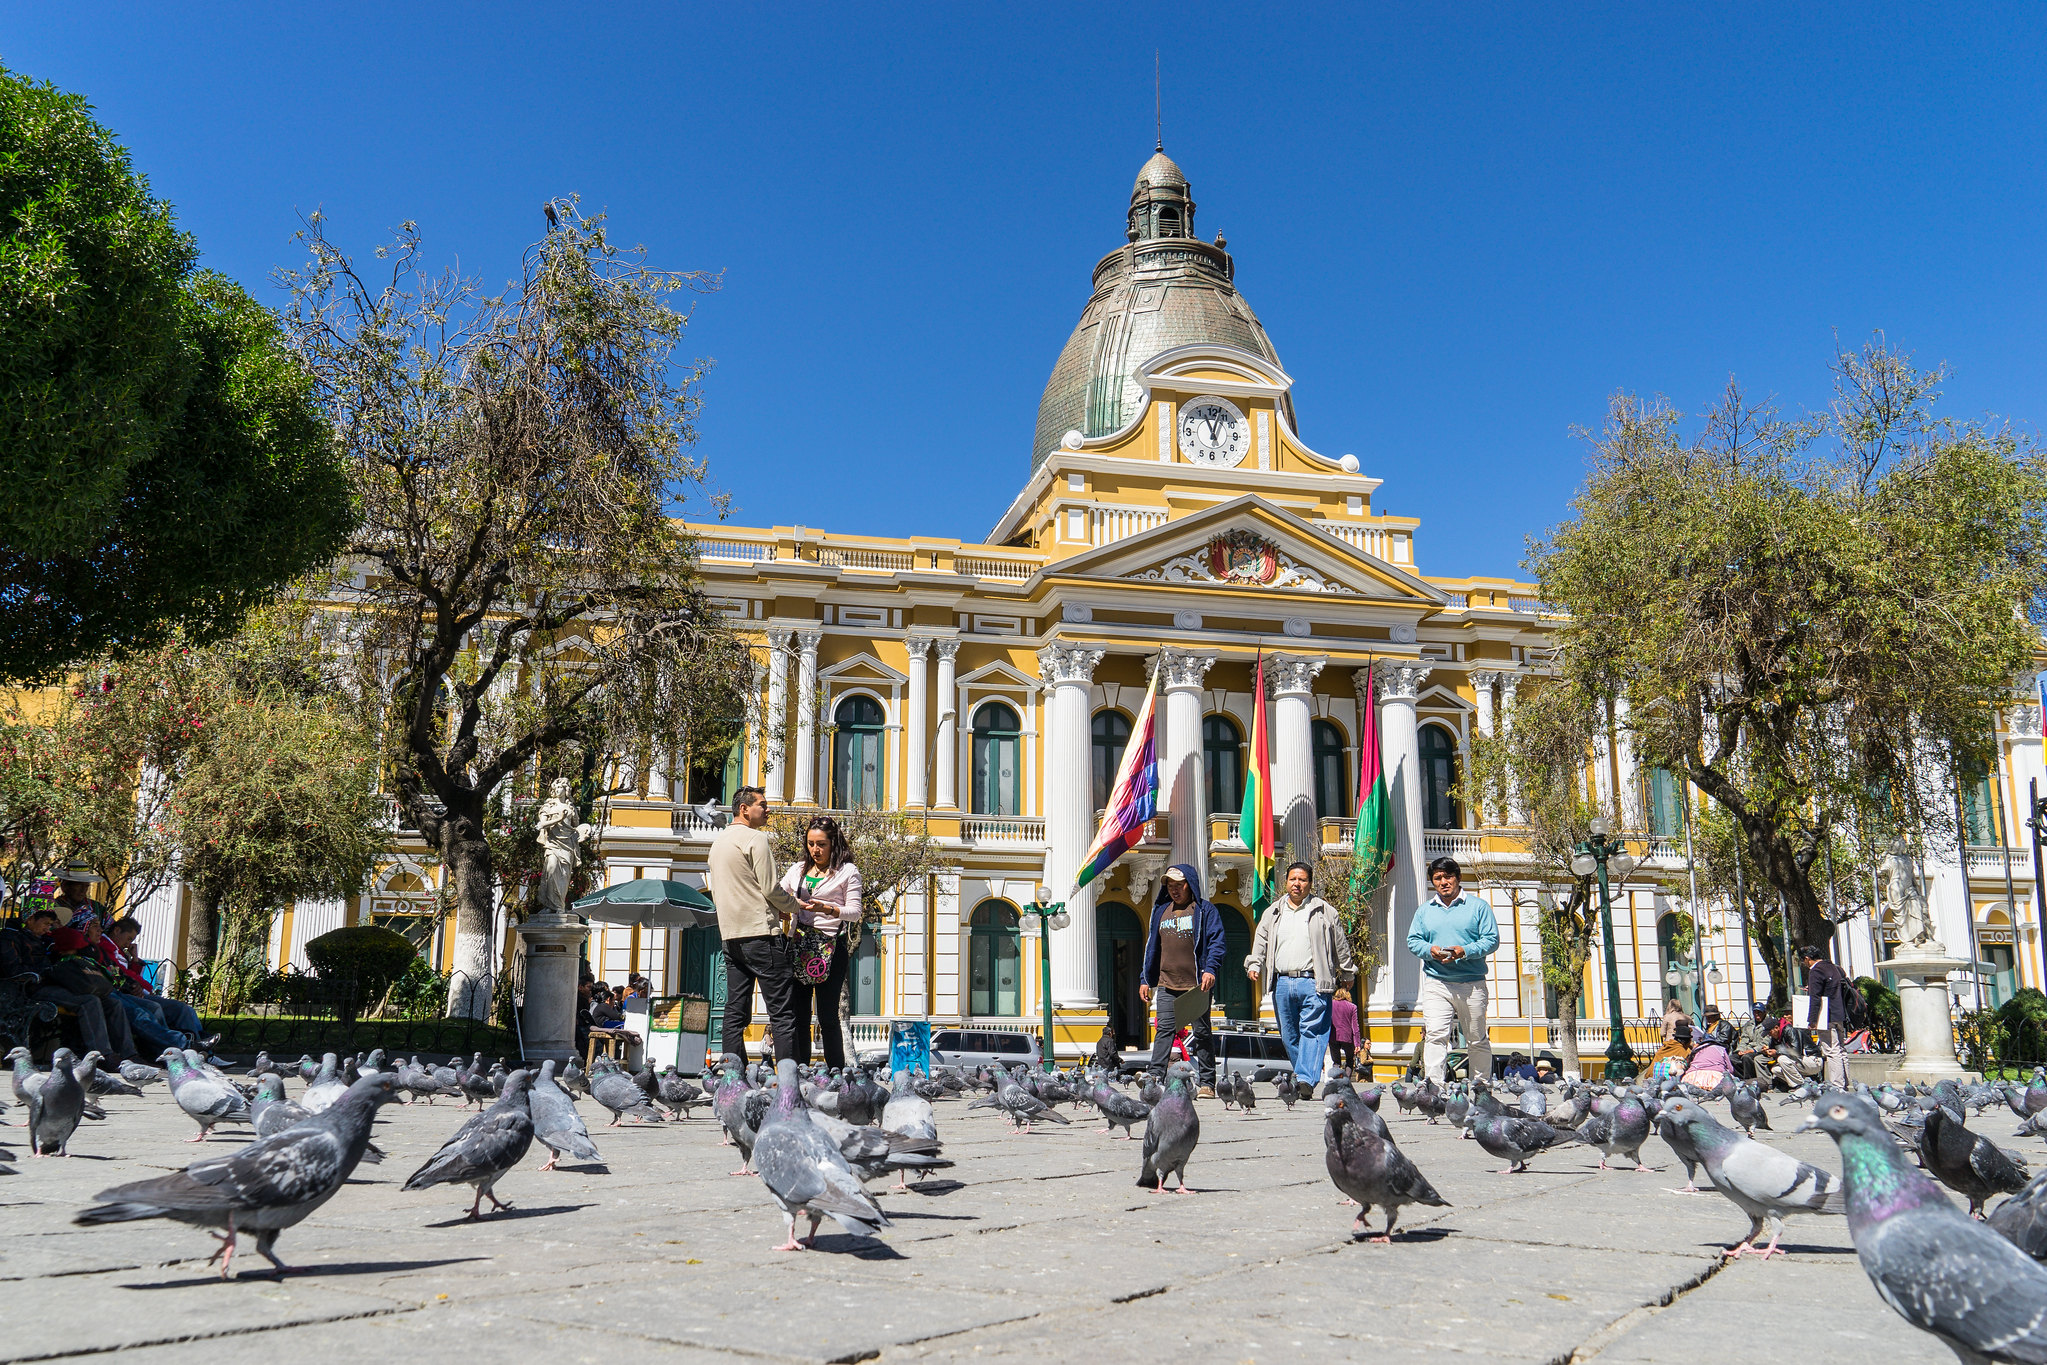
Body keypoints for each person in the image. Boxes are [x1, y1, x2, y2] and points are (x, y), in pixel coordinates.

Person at [706, 786, 806, 1062]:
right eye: (762, 804)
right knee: (783, 1013)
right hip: (762, 936)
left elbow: (737, 890)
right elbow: (771, 888)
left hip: (730, 938)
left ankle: (734, 1077)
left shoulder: (718, 843)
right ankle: (789, 1081)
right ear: (744, 809)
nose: (768, 809)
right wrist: (795, 906)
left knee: (734, 1011)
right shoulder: (755, 839)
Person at [1246, 861, 1356, 1096]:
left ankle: (1305, 1080)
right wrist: (1255, 963)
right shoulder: (1273, 912)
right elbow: (1261, 940)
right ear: (1286, 882)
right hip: (1282, 982)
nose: (1297, 884)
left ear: (1310, 883)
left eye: (1302, 880)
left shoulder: (1324, 911)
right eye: (1293, 879)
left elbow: (1340, 945)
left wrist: (1347, 972)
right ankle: (1303, 1075)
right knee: (1289, 1035)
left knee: (1312, 1031)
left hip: (1314, 981)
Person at [778, 813, 863, 1070]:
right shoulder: (797, 870)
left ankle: (836, 1070)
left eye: (821, 844)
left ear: (833, 844)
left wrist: (827, 908)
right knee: (799, 1015)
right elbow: (778, 894)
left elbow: (855, 912)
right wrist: (784, 908)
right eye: (811, 843)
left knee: (828, 1016)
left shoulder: (848, 872)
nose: (815, 849)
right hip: (799, 945)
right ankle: (801, 1069)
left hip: (830, 947)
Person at [1405, 857, 1498, 1085]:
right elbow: (1413, 941)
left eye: (1448, 877)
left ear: (1458, 878)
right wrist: (1430, 950)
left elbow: (1492, 940)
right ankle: (1434, 1088)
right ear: (1432, 882)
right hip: (1437, 983)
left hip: (1472, 984)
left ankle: (1481, 1087)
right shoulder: (1424, 911)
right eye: (1437, 878)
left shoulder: (1478, 907)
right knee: (1435, 1035)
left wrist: (1464, 951)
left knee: (1476, 1038)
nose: (1443, 882)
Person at [1140, 864, 1224, 1098]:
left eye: (1179, 885)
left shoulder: (1205, 911)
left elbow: (1217, 942)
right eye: (1170, 885)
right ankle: (1154, 1077)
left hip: (1196, 985)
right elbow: (1151, 949)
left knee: (1202, 1033)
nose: (1175, 890)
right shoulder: (1160, 911)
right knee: (1164, 1030)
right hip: (1167, 984)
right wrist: (1145, 979)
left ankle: (1207, 1083)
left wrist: (1210, 969)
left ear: (1190, 885)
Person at [7, 908, 135, 1060]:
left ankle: (129, 1055)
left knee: (112, 1003)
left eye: (50, 924)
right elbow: (12, 969)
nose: (48, 928)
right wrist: (46, 971)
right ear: (30, 920)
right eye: (45, 924)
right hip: (33, 987)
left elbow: (74, 944)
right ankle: (102, 1055)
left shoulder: (44, 940)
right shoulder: (11, 937)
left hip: (55, 984)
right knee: (89, 1001)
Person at [1799, 944, 1851, 1088]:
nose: (1804, 963)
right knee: (1841, 1049)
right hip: (1839, 1014)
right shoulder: (1833, 967)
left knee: (1831, 1050)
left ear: (1808, 958)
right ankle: (1845, 1082)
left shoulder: (1815, 971)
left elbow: (1815, 998)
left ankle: (1837, 1085)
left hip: (1825, 1016)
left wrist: (1812, 1020)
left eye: (1803, 961)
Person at [52, 862, 111, 929]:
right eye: (79, 885)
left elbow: (111, 930)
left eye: (86, 886)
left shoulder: (97, 907)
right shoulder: (52, 908)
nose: (83, 890)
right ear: (65, 886)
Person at [1330, 986, 1363, 1079]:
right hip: (1347, 1037)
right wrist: (1357, 1043)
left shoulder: (1331, 1004)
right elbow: (1355, 1027)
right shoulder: (1352, 1007)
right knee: (1349, 1059)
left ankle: (1336, 1080)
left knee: (1336, 1062)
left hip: (1333, 1036)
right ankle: (1346, 1080)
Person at [1733, 1003, 1771, 1080]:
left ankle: (1749, 1079)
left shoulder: (1768, 1024)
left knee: (1746, 1058)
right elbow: (1744, 1038)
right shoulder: (1749, 1024)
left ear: (1764, 1013)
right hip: (1747, 1049)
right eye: (1755, 1012)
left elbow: (1765, 1043)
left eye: (1759, 1012)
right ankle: (1741, 1078)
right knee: (1732, 1058)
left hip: (1759, 1050)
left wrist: (1751, 1050)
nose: (1757, 1015)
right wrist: (1741, 1050)